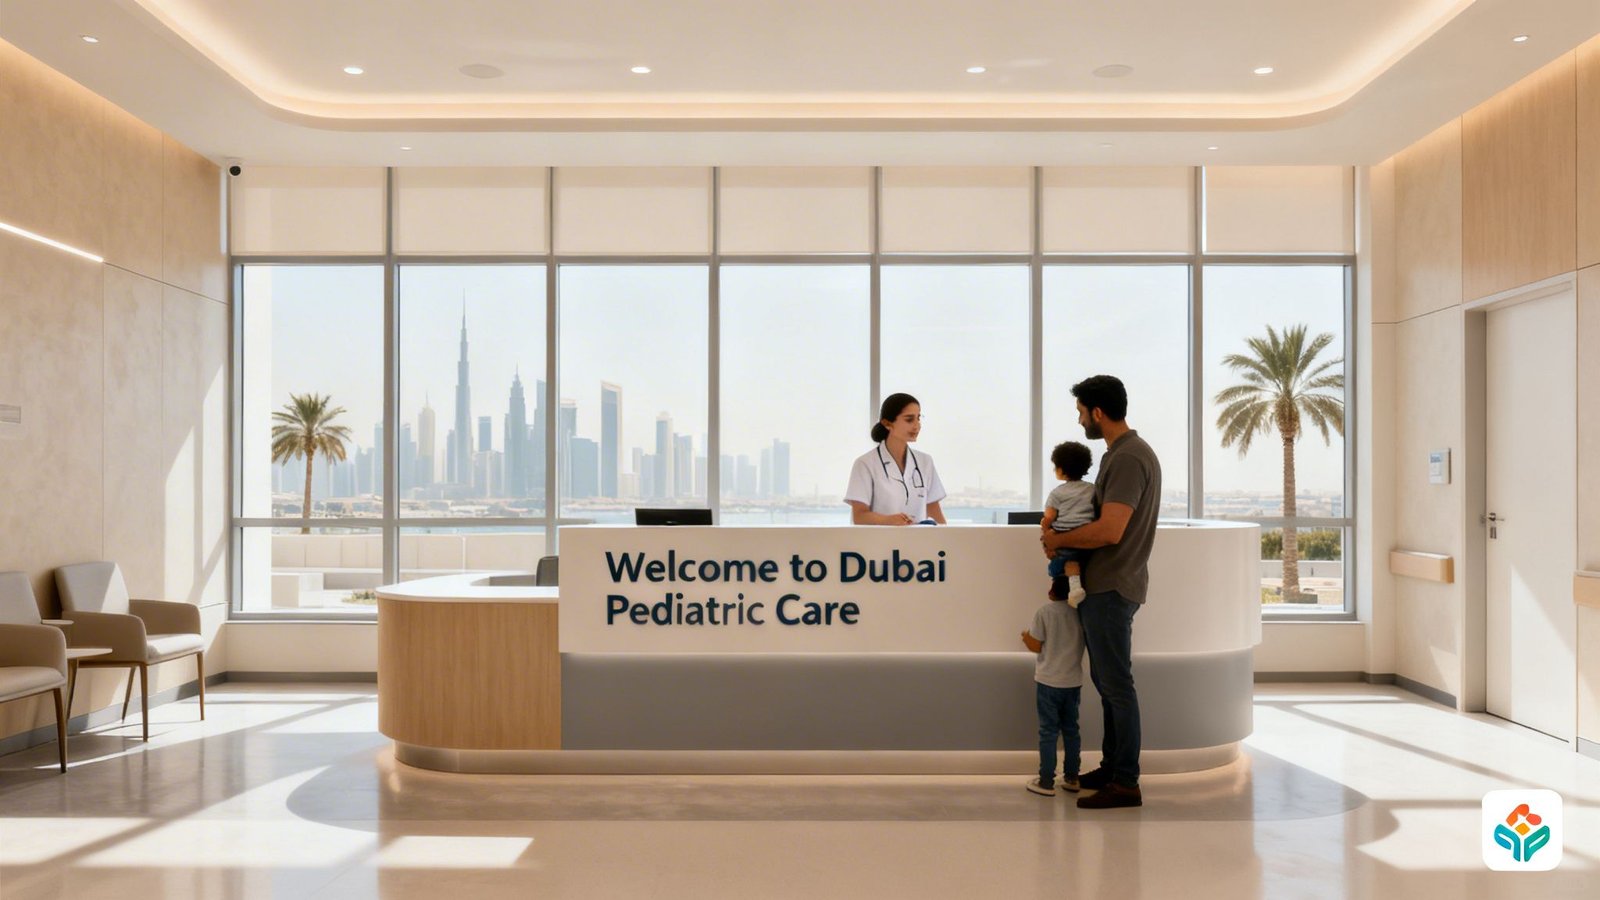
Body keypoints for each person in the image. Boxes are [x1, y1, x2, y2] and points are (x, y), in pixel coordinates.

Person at [1041, 374, 1161, 810]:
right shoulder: (1119, 454)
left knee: (1116, 685)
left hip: (1113, 585)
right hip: (1106, 585)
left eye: (1080, 412)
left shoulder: (1129, 457)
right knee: (1109, 683)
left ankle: (1126, 781)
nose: (1079, 422)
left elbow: (1111, 530)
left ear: (1096, 411)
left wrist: (1057, 541)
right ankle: (1113, 768)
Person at [845, 393, 947, 525]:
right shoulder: (865, 464)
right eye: (909, 419)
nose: (917, 426)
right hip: (879, 542)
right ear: (887, 423)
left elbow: (934, 510)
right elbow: (860, 516)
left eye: (918, 418)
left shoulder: (925, 462)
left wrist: (948, 541)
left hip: (919, 543)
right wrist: (888, 520)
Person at [1020, 588, 1084, 797]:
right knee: (1071, 731)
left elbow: (1036, 645)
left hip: (1048, 680)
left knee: (1048, 732)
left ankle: (1046, 780)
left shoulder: (1045, 612)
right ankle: (1072, 777)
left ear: (1051, 592)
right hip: (1073, 681)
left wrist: (1025, 636)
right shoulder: (1081, 612)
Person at [1040, 440, 1095, 606]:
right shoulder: (1093, 489)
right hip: (1087, 539)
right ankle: (1076, 585)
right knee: (1078, 565)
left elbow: (1049, 517)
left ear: (1061, 470)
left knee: (1055, 569)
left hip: (1064, 539)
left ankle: (1070, 589)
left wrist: (1044, 526)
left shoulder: (1057, 493)